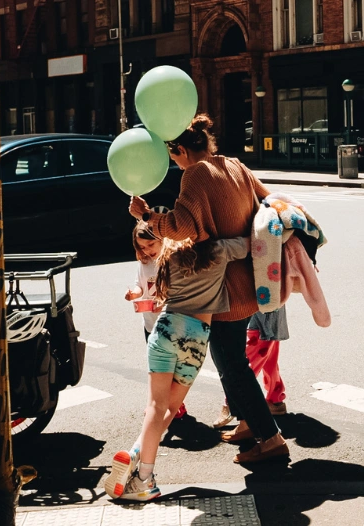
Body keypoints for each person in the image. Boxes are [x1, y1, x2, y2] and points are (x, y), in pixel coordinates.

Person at [128, 113, 288, 465]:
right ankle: (249, 422)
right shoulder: (234, 165)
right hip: (248, 277)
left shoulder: (195, 173)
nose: (173, 163)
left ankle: (270, 438)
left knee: (232, 360)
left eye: (172, 156)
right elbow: (269, 201)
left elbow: (181, 227)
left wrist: (146, 217)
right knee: (227, 355)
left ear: (180, 149)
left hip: (224, 286)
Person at [105, 235, 251, 501]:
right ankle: (141, 472)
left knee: (155, 407)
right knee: (171, 408)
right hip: (195, 336)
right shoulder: (221, 249)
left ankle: (140, 465)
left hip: (164, 329)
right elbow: (252, 243)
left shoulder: (169, 250)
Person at [125, 222, 188, 420]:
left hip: (171, 322)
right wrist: (133, 294)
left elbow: (181, 292)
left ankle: (174, 404)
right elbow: (140, 286)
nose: (147, 250)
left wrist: (164, 304)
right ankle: (159, 404)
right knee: (156, 367)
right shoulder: (144, 263)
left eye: (150, 244)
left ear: (162, 239)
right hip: (150, 323)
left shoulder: (171, 260)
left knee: (172, 368)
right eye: (142, 247)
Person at [214, 306, 290, 428]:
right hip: (272, 305)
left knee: (251, 359)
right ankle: (275, 398)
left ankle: (233, 402)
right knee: (269, 358)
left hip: (262, 306)